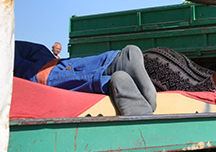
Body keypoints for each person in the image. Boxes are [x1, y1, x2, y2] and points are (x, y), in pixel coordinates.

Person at [14, 41, 156, 115]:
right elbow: (35, 51)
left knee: (51, 76)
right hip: (43, 66)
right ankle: (109, 84)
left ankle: (115, 61)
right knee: (68, 78)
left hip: (34, 75)